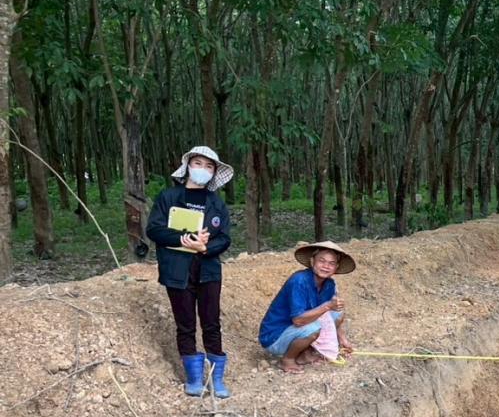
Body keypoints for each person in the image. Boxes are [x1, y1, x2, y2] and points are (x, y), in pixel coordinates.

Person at [146, 146, 234, 397]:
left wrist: (205, 247)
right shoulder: (168, 197)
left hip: (208, 270)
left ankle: (217, 379)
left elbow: (225, 238)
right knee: (185, 324)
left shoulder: (217, 203)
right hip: (177, 270)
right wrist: (185, 238)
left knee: (211, 322)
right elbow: (154, 230)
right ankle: (194, 378)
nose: (203, 170)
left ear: (214, 173)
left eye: (209, 167)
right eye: (198, 164)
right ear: (187, 167)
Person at [258, 241, 356, 373]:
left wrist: (342, 339)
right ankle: (288, 359)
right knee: (313, 328)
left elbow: (328, 314)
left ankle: (305, 353)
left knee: (337, 313)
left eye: (331, 263)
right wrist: (327, 306)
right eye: (322, 261)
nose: (326, 266)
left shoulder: (329, 285)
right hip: (275, 336)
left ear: (336, 268)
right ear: (312, 262)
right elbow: (298, 320)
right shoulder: (299, 280)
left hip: (293, 331)